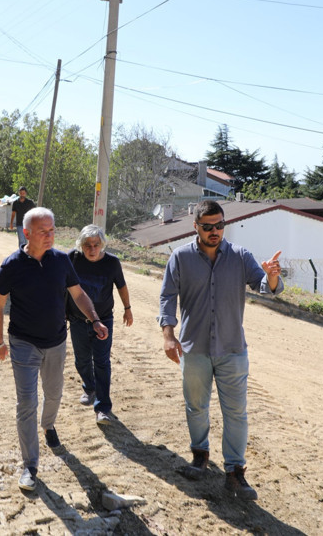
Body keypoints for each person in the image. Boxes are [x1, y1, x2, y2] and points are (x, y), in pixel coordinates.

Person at [158, 200, 283, 502]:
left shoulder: (240, 257)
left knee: (236, 412)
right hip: (194, 348)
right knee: (196, 406)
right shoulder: (180, 258)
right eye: (208, 226)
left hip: (232, 349)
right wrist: (168, 336)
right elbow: (167, 297)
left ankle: (235, 473)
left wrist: (273, 276)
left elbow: (265, 287)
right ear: (196, 226)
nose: (215, 231)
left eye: (220, 225)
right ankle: (200, 455)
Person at [0, 207, 108, 492]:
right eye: (43, 231)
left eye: (52, 229)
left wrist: (94, 319)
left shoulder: (61, 261)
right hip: (23, 344)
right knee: (27, 403)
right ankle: (30, 465)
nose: (50, 235)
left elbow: (78, 294)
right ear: (27, 233)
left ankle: (49, 425)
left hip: (56, 341)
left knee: (54, 394)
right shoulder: (11, 265)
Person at [66, 224, 132, 426]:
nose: (92, 249)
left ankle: (103, 408)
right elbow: (61, 286)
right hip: (77, 320)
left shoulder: (112, 262)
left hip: (103, 320)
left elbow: (121, 286)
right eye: (87, 245)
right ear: (81, 245)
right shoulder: (72, 259)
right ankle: (89, 387)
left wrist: (127, 308)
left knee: (102, 362)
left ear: (102, 245)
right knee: (82, 360)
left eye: (96, 245)